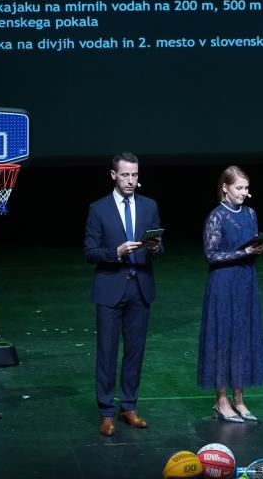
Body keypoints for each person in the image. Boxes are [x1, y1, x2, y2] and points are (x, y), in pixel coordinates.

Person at [84, 152, 163, 436]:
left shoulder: (149, 206)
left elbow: (159, 246)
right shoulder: (98, 209)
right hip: (110, 289)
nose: (131, 180)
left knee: (134, 352)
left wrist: (155, 247)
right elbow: (90, 252)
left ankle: (128, 406)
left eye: (135, 175)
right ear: (113, 175)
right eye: (126, 174)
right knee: (107, 353)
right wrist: (115, 252)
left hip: (140, 288)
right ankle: (106, 412)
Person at [198, 166, 263, 423]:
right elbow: (211, 255)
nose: (243, 192)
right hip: (223, 283)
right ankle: (221, 400)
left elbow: (251, 246)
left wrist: (257, 249)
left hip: (245, 281)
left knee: (242, 338)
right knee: (223, 339)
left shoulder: (250, 214)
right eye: (239, 187)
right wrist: (244, 253)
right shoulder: (216, 217)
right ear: (225, 188)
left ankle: (239, 399)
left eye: (246, 188)